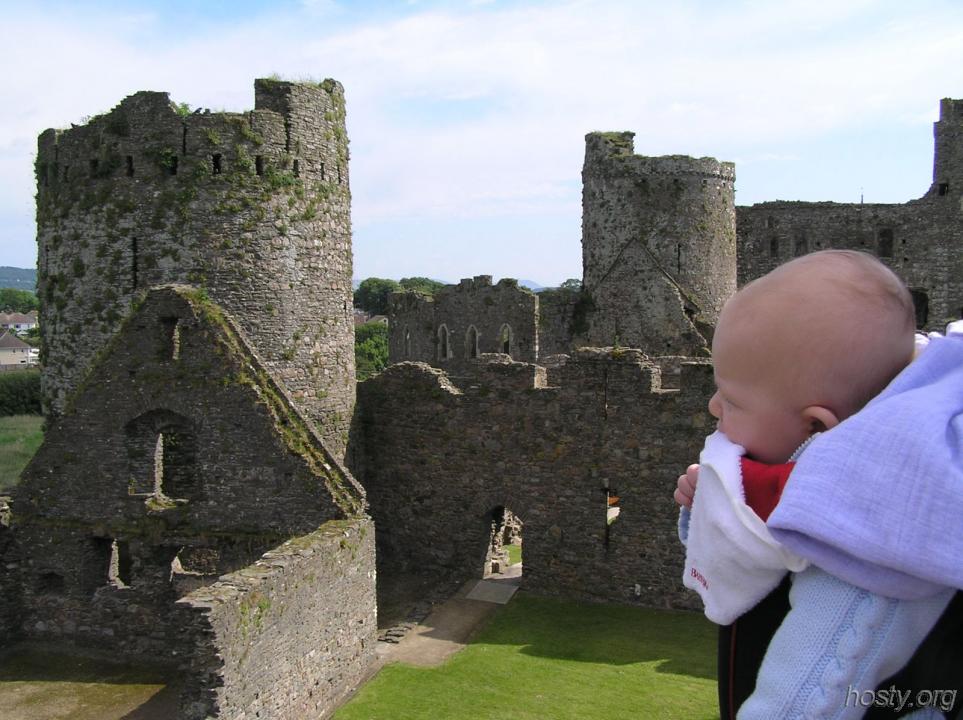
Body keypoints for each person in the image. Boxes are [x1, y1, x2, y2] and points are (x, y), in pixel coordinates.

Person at [674, 250, 959, 718]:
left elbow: (808, 695)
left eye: (731, 399)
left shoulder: (871, 540)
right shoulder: (851, 451)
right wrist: (711, 503)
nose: (712, 406)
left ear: (817, 427)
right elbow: (758, 541)